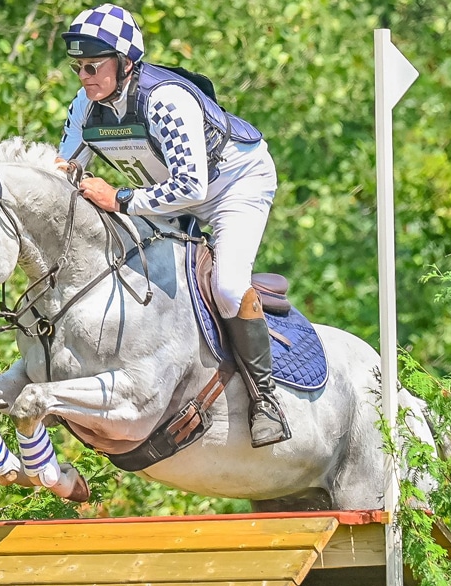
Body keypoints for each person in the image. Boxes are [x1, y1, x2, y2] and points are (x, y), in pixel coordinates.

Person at [55, 3, 290, 447]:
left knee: (227, 286)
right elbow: (65, 167)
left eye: (92, 66)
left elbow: (193, 187)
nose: (84, 76)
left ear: (124, 64)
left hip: (232, 186)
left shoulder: (164, 99)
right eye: (78, 67)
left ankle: (266, 401)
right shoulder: (86, 106)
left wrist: (121, 198)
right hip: (168, 192)